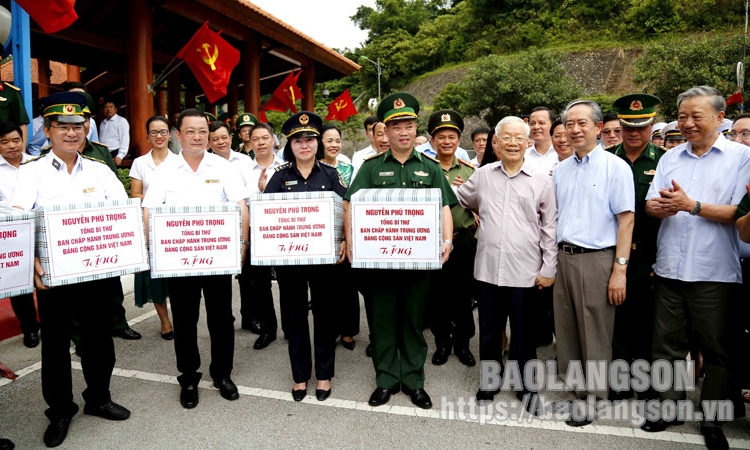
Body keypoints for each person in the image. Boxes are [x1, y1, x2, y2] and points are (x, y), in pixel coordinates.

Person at [11, 92, 132, 448]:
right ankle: (61, 410)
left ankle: (99, 397)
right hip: (53, 277)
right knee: (55, 346)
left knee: (99, 340)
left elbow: (121, 215)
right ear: (47, 130)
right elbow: (18, 220)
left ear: (87, 128)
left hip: (98, 273)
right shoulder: (30, 173)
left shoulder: (101, 170)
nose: (71, 133)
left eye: (77, 125)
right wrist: (29, 259)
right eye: (62, 126)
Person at [644, 86, 750, 450]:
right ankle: (667, 407)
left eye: (696, 116)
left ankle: (713, 419)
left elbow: (740, 213)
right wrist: (659, 208)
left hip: (714, 271)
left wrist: (692, 205)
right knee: (667, 345)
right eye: (682, 117)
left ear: (721, 118)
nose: (686, 123)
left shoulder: (740, 158)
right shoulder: (670, 157)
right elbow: (650, 204)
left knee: (717, 349)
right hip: (671, 267)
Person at [344, 93, 456, 409]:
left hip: (418, 263)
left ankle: (414, 381)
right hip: (379, 263)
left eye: (408, 125)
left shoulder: (430, 168)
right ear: (386, 132)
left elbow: (444, 206)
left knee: (413, 321)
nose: (402, 132)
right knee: (382, 323)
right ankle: (386, 380)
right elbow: (351, 204)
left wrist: (446, 240)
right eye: (396, 127)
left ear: (415, 128)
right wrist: (351, 242)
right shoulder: (369, 168)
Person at [142, 108, 249, 409]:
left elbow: (241, 205)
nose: (198, 137)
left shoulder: (223, 167)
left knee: (221, 318)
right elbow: (149, 210)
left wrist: (242, 242)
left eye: (202, 131)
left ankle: (222, 374)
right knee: (186, 320)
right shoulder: (165, 171)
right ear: (178, 135)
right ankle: (188, 377)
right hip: (178, 262)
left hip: (217, 259)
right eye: (190, 131)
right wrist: (152, 248)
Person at [458, 116, 557, 411]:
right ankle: (489, 382)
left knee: (524, 334)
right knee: (489, 330)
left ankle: (526, 387)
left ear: (528, 143)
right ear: (496, 143)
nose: (512, 143)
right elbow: (464, 198)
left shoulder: (542, 181)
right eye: (506, 138)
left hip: (526, 271)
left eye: (519, 138)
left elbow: (550, 227)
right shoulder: (484, 175)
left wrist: (548, 268)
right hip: (488, 269)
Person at [553, 99, 634, 427]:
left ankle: (595, 399)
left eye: (581, 123)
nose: (574, 129)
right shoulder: (561, 169)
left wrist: (619, 270)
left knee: (596, 333)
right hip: (564, 258)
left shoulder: (615, 168)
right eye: (569, 123)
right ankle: (575, 393)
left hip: (598, 259)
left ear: (599, 128)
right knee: (568, 329)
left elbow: (626, 221)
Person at [264, 112, 348, 402]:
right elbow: (267, 218)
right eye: (298, 140)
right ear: (290, 145)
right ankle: (300, 376)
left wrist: (346, 239)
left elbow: (344, 210)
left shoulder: (330, 174)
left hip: (324, 262)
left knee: (325, 316)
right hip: (290, 263)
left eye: (310, 140)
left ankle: (323, 375)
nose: (305, 145)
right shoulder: (279, 176)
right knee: (294, 317)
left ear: (318, 143)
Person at [606, 93, 665, 400]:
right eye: (627, 125)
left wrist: (660, 260)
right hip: (611, 252)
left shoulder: (665, 160)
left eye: (641, 126)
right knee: (616, 319)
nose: (633, 132)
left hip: (648, 254)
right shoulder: (605, 159)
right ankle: (618, 381)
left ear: (652, 125)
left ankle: (642, 381)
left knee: (645, 321)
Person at [425, 109, 477, 367]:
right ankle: (442, 342)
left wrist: (473, 205)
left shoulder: (470, 170)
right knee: (437, 295)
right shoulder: (424, 169)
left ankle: (464, 343)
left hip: (465, 240)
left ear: (459, 140)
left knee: (464, 294)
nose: (447, 141)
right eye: (441, 136)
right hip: (432, 242)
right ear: (432, 140)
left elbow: (483, 204)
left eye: (452, 137)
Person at [129, 116, 176, 340]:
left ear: (171, 135)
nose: (159, 136)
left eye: (163, 131)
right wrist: (155, 204)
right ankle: (165, 321)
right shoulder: (140, 163)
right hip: (149, 224)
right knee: (154, 276)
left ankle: (181, 317)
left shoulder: (179, 162)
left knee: (175, 275)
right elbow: (136, 194)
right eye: (154, 132)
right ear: (147, 136)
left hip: (174, 226)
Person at [239, 122, 283, 348]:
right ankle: (268, 330)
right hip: (257, 233)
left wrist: (269, 191)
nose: (260, 142)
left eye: (265, 137)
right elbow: (242, 205)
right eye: (255, 139)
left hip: (283, 233)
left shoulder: (286, 166)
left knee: (288, 283)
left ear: (273, 140)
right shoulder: (244, 171)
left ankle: (293, 328)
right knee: (261, 284)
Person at [319, 124, 359, 351]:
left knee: (346, 285)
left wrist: (346, 236)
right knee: (325, 288)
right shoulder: (313, 169)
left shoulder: (348, 169)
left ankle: (348, 330)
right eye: (329, 140)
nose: (334, 145)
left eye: (337, 140)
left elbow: (351, 204)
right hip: (321, 236)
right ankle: (329, 330)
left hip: (344, 233)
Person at [0, 121, 39, 348]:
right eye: (4, 142)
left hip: (41, 230)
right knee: (20, 285)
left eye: (15, 140)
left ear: (22, 140)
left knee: (48, 282)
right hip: (13, 235)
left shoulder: (37, 164)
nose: (11, 146)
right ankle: (30, 328)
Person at [525, 106, 559, 174]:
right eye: (532, 123)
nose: (536, 127)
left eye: (541, 123)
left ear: (553, 125)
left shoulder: (563, 153)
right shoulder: (523, 156)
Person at [98, 98, 129, 165]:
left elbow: (125, 139)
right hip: (103, 154)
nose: (108, 109)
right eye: (106, 107)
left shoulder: (121, 121)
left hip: (115, 153)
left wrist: (120, 155)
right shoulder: (102, 123)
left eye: (111, 107)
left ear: (116, 109)